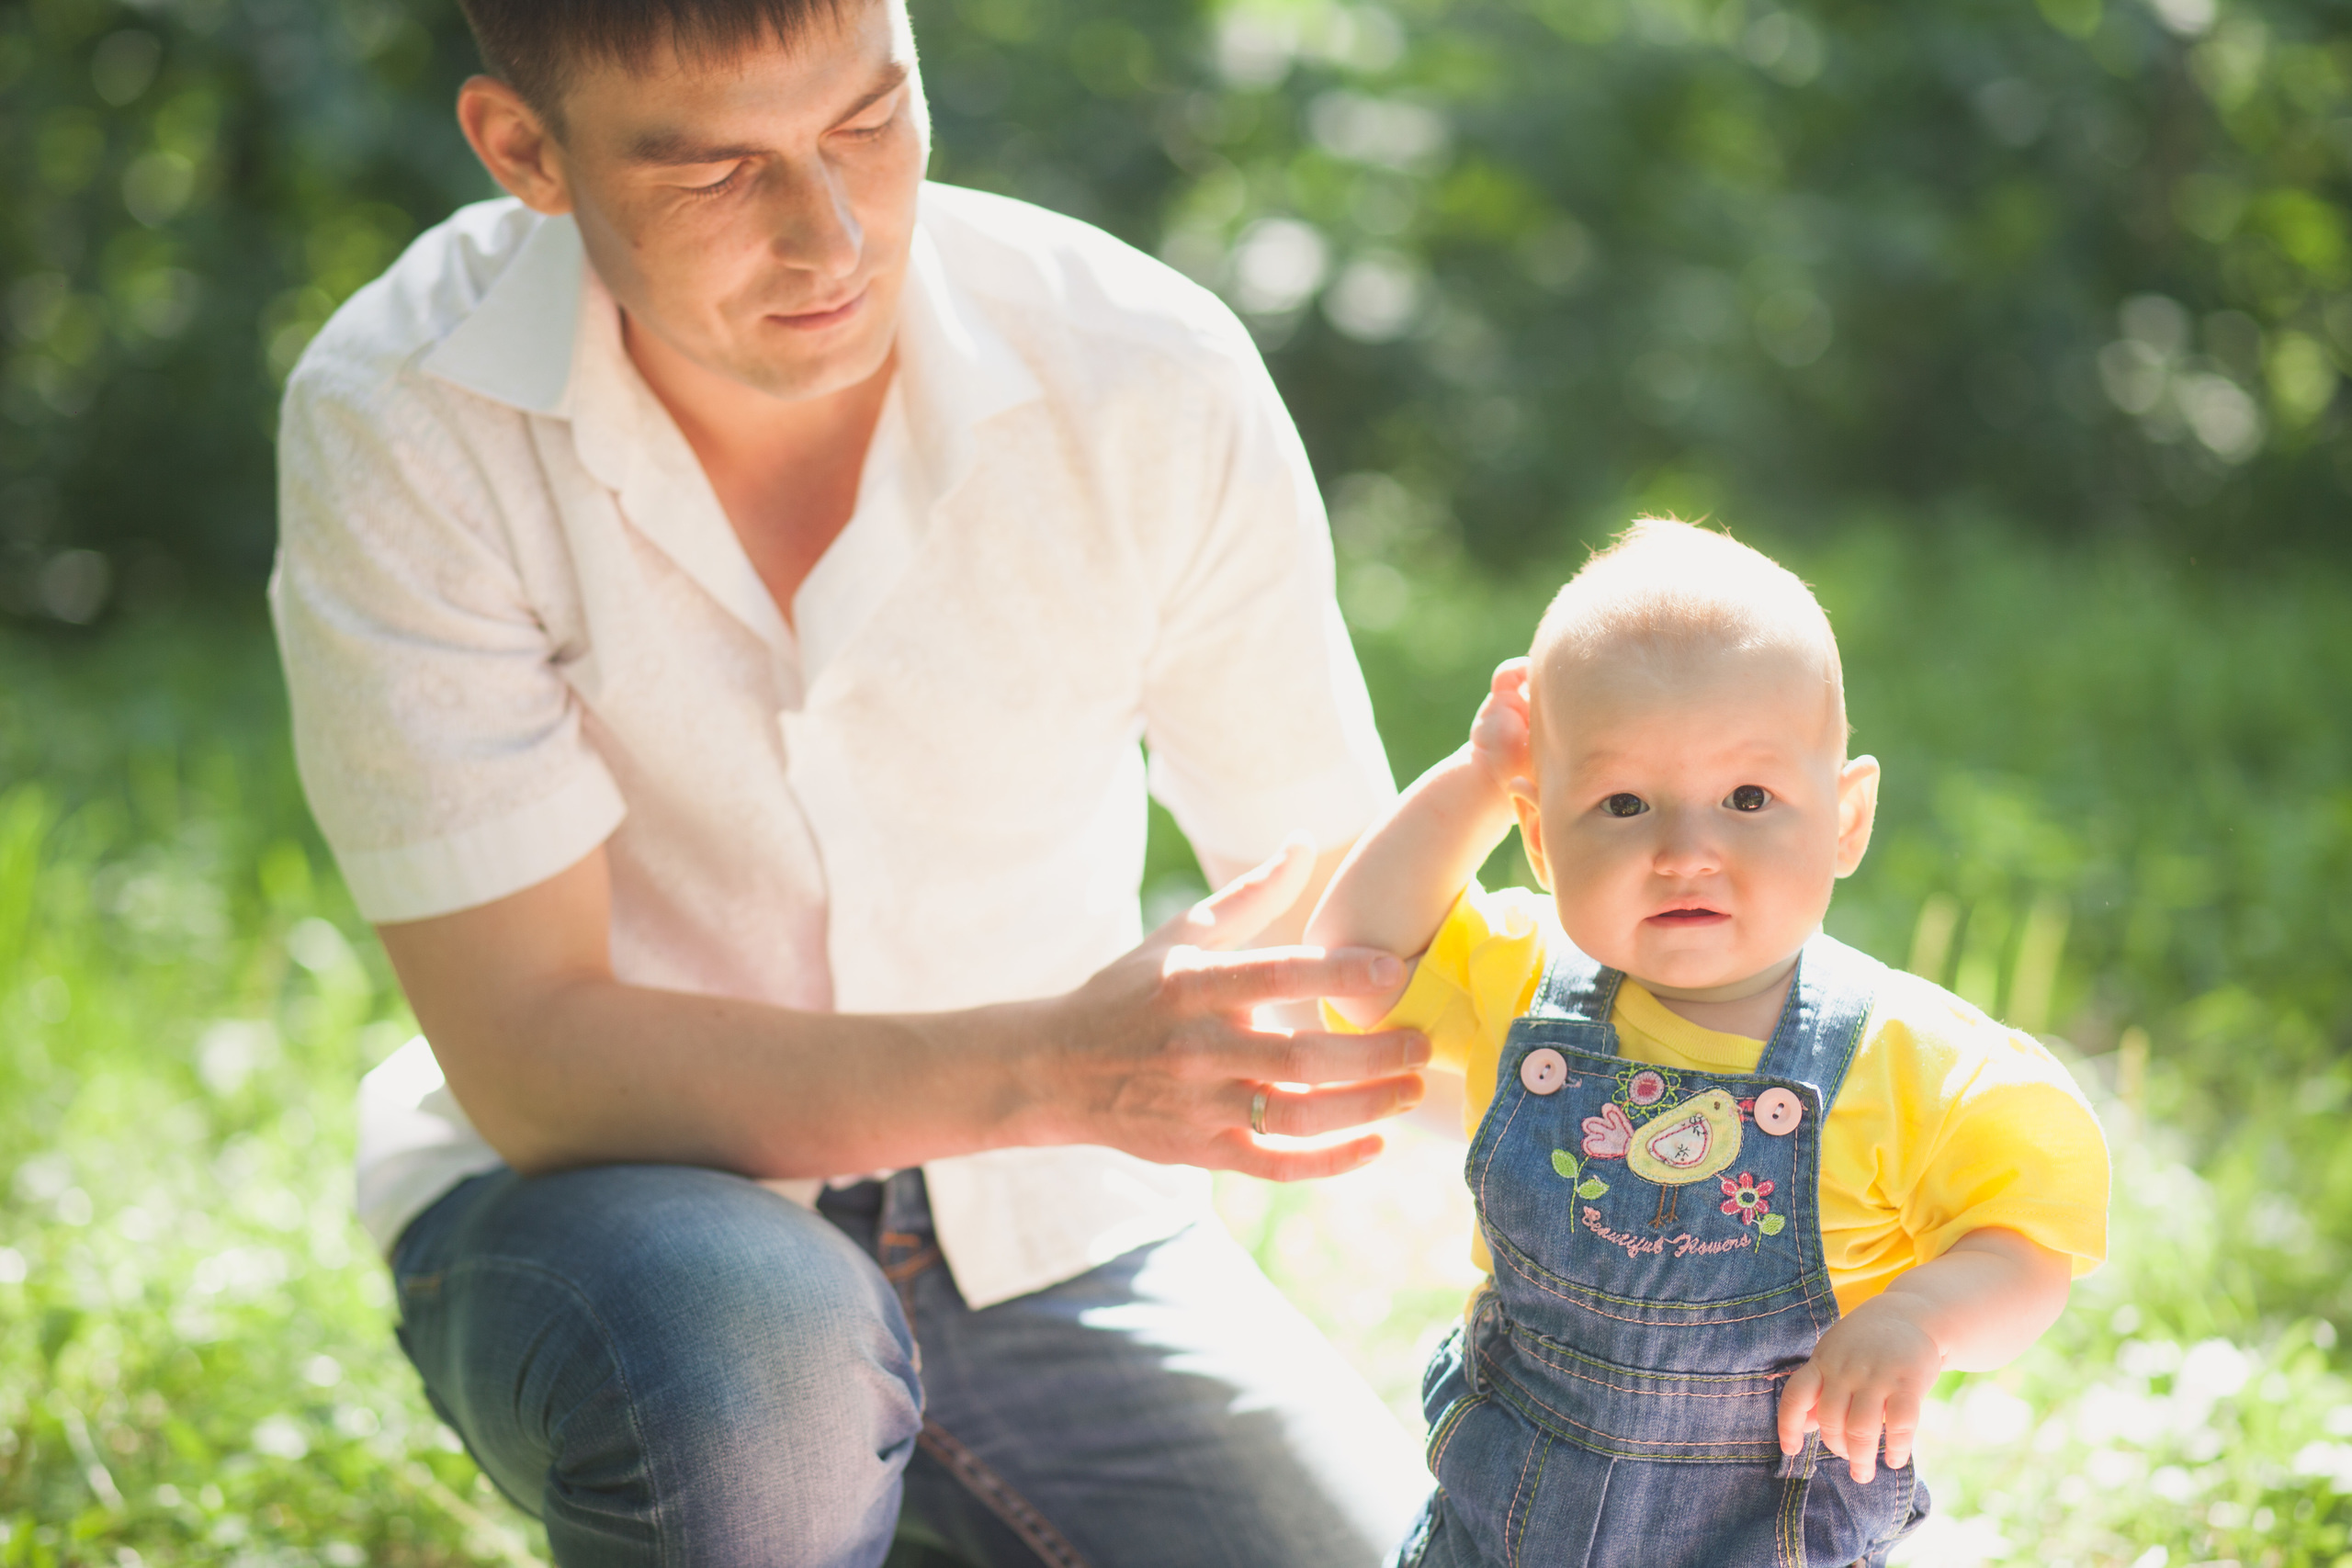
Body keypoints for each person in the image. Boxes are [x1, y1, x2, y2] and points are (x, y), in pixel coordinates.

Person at [267, 0, 1438, 1562]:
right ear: (524, 150)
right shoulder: (406, 413)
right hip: (627, 1223)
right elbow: (537, 1062)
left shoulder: (1142, 371)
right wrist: (1059, 1069)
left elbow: (1361, 911)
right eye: (718, 171)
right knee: (762, 1369)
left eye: (869, 123)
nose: (830, 238)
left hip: (1055, 1238)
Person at [1306, 520, 2110, 1568]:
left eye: (1747, 798)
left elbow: (2025, 1248)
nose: (1685, 850)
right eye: (1622, 802)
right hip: (1497, 1524)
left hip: (1756, 1537)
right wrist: (1474, 777)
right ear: (1541, 838)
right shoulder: (1519, 974)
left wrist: (1921, 1323)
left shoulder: (1913, 1061)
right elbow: (1355, 955)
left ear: (1844, 818)